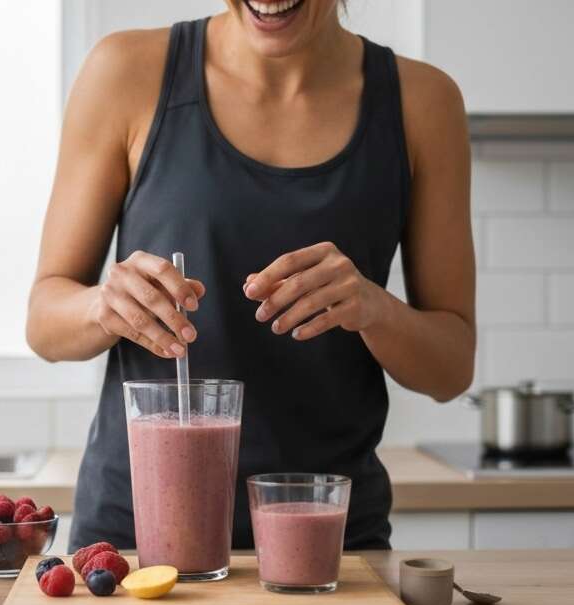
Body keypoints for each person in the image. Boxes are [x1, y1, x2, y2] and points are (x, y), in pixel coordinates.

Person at [26, 0, 475, 551]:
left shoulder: (423, 102)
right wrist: (103, 305)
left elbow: (451, 367)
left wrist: (374, 308)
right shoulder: (125, 72)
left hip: (329, 546)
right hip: (136, 542)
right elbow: (45, 322)